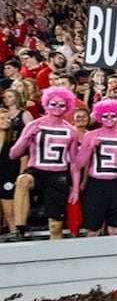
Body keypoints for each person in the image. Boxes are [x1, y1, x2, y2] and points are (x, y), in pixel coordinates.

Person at [9, 87, 81, 240]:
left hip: (58, 174)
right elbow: (14, 154)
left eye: (61, 105)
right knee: (22, 180)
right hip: (36, 170)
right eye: (53, 104)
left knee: (56, 227)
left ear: (67, 106)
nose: (57, 108)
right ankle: (19, 228)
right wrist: (27, 137)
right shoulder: (33, 125)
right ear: (46, 103)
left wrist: (75, 189)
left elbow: (74, 163)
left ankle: (57, 256)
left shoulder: (71, 131)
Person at [73, 100, 117, 237]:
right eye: (105, 116)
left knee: (115, 229)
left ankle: (115, 258)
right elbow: (79, 164)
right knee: (93, 229)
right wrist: (90, 147)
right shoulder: (90, 135)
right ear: (99, 117)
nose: (109, 119)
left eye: (113, 116)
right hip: (96, 185)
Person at [0, 108, 25, 235]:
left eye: (8, 118)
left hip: (9, 176)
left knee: (10, 211)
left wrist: (20, 176)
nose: (6, 121)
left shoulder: (15, 137)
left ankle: (15, 233)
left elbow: (24, 158)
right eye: (2, 118)